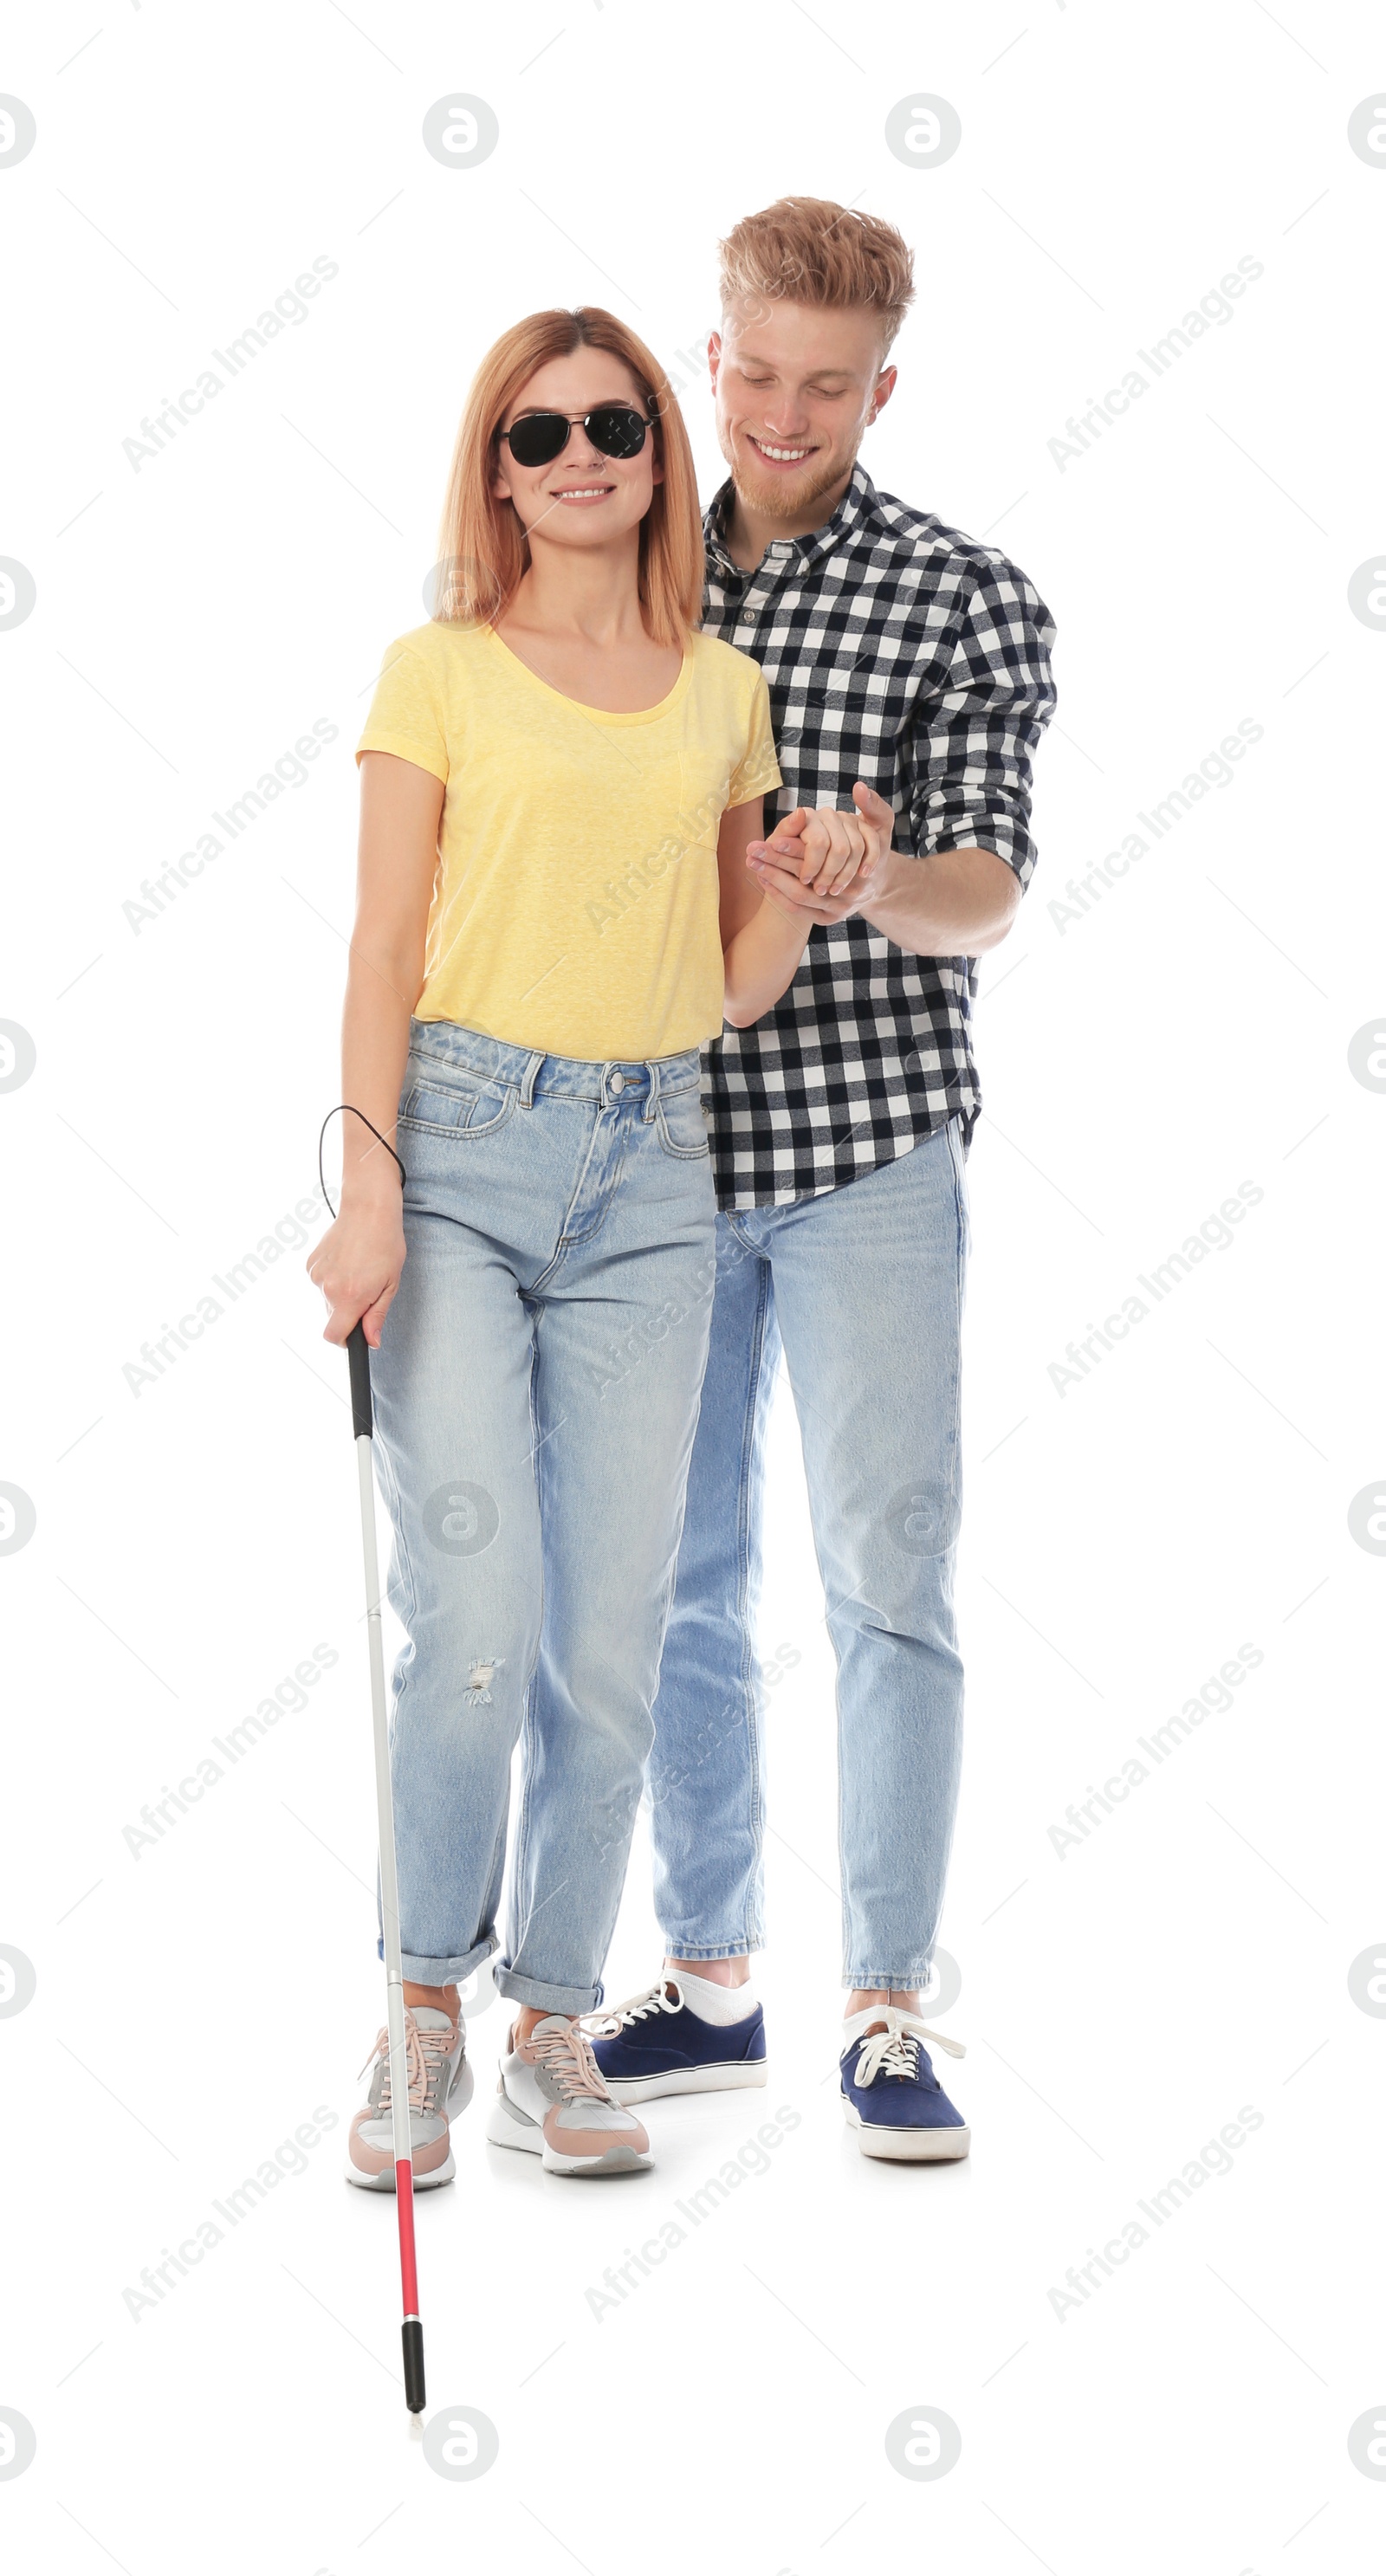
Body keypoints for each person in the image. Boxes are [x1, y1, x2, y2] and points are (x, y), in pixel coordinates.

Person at [308, 302, 872, 2185]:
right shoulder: (438, 668)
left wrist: (798, 898)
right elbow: (385, 952)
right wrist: (369, 1193)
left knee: (609, 1640)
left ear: (653, 446)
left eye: (614, 425)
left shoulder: (723, 691)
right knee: (470, 1618)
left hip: (653, 1178)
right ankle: (416, 2005)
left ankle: (555, 2013)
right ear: (495, 465)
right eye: (536, 434)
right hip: (459, 1155)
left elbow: (725, 983)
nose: (578, 459)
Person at [588, 200, 1057, 2161]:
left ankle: (883, 2010)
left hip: (866, 1149)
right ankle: (708, 1984)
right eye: (753, 371)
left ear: (884, 385)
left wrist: (876, 883)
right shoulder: (604, 569)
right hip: (652, 1156)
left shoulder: (963, 592)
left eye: (826, 384)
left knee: (887, 1577)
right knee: (671, 1583)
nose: (782, 415)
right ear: (711, 357)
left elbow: (986, 889)